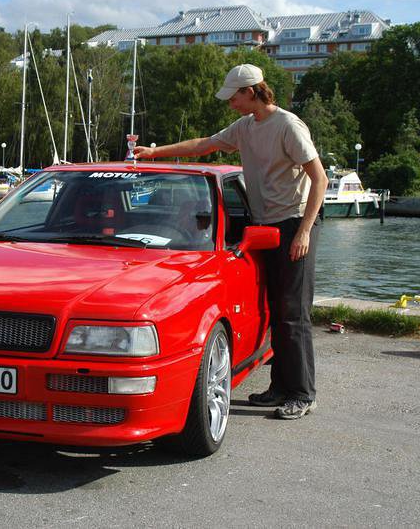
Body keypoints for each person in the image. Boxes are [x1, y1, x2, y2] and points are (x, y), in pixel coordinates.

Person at [134, 63, 328, 420]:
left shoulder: (288, 125)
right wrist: (154, 153)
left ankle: (303, 394)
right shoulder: (245, 126)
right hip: (266, 225)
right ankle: (280, 387)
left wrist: (304, 231)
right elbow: (204, 146)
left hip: (295, 223)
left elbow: (320, 179)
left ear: (251, 91)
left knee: (293, 313)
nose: (230, 103)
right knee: (275, 308)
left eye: (234, 97)